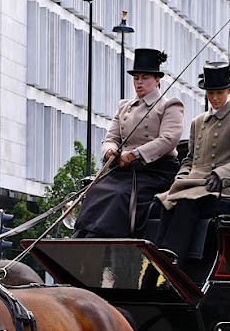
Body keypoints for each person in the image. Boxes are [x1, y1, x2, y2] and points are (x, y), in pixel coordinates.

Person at [153, 61, 230, 259]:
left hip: (224, 187)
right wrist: (182, 176)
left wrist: (220, 174)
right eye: (211, 93)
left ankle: (173, 257)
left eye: (219, 92)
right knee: (165, 202)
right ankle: (157, 255)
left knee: (187, 203)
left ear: (229, 90)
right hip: (194, 183)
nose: (215, 98)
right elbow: (189, 159)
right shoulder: (198, 122)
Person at [72, 48, 185, 238]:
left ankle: (99, 239)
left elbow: (168, 139)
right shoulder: (124, 106)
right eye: (136, 78)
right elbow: (111, 138)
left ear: (157, 79)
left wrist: (135, 154)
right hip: (124, 170)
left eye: (145, 77)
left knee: (119, 195)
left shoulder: (169, 105)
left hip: (156, 171)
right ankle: (81, 237)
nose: (139, 82)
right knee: (95, 190)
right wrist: (110, 152)